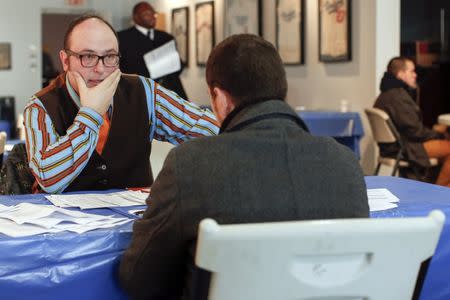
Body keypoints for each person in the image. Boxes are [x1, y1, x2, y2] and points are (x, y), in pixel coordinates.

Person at [118, 34, 369, 300]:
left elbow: (139, 279)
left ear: (220, 98)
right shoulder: (344, 163)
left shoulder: (191, 163)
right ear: (282, 90)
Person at [23, 15, 219, 194]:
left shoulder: (144, 91)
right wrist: (91, 114)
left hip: (132, 222)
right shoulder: (40, 106)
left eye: (109, 57)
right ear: (65, 61)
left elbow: (210, 130)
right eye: (88, 57)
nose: (100, 69)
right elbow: (49, 181)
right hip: (60, 227)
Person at [374, 56, 450, 187]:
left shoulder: (387, 94)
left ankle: (434, 189)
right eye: (412, 71)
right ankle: (440, 193)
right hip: (405, 148)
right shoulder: (397, 97)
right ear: (401, 74)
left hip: (396, 146)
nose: (415, 75)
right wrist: (438, 133)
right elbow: (415, 132)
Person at [118, 2, 188, 99]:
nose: (152, 17)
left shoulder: (167, 38)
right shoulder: (123, 38)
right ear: (135, 17)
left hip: (169, 93)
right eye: (147, 14)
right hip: (138, 94)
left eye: (154, 14)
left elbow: (177, 66)